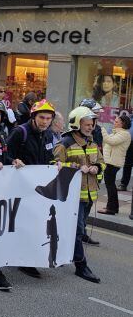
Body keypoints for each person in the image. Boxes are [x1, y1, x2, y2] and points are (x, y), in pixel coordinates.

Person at [6, 99, 59, 278]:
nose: (45, 121)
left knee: (34, 223)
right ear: (34, 117)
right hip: (19, 187)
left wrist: (55, 164)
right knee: (21, 223)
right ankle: (23, 260)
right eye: (42, 118)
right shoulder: (20, 132)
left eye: (48, 118)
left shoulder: (49, 135)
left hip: (38, 188)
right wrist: (13, 161)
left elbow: (49, 156)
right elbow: (6, 154)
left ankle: (28, 257)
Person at [53, 106, 104, 283]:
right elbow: (54, 166)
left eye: (92, 124)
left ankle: (61, 254)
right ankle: (81, 265)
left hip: (89, 195)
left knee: (76, 230)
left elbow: (101, 161)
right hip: (73, 197)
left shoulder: (92, 142)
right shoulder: (65, 143)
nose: (90, 127)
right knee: (78, 231)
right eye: (87, 124)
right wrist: (76, 167)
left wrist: (96, 167)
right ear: (76, 124)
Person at [97, 115, 131, 215]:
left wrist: (102, 129)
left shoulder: (124, 134)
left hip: (113, 163)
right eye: (114, 121)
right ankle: (113, 207)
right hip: (110, 162)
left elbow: (110, 141)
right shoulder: (117, 133)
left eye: (116, 122)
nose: (114, 123)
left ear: (123, 123)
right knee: (110, 185)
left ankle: (110, 208)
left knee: (110, 186)